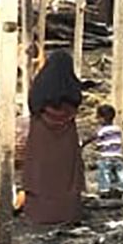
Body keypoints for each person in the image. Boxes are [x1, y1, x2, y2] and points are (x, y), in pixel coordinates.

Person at [21, 49, 84, 225]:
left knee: (41, 172)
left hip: (42, 138)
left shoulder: (40, 87)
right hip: (66, 140)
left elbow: (34, 104)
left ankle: (40, 214)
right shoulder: (72, 91)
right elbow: (76, 101)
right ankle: (67, 214)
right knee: (65, 175)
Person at [91, 103, 123, 196]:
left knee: (104, 173)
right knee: (119, 173)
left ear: (102, 118)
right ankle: (121, 188)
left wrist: (84, 144)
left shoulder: (102, 130)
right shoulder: (117, 129)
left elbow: (95, 139)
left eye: (98, 118)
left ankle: (105, 190)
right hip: (118, 156)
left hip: (106, 156)